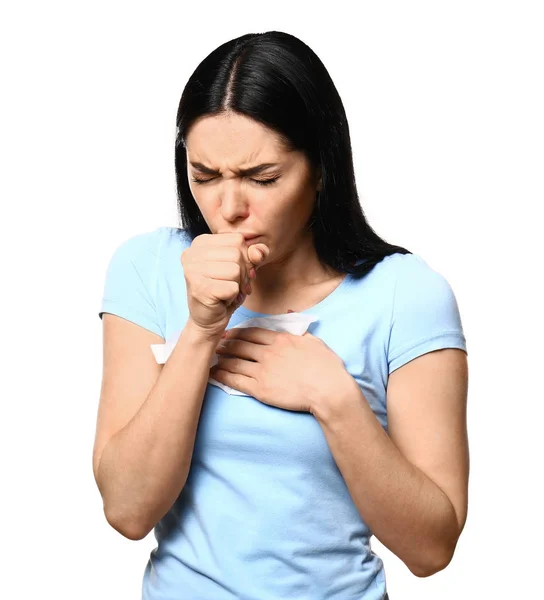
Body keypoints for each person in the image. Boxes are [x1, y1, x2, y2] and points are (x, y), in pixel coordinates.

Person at [93, 30, 469, 600]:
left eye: (262, 178)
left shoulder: (405, 295)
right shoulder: (147, 268)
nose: (229, 207)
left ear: (320, 168)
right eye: (205, 176)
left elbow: (431, 548)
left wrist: (334, 398)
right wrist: (201, 329)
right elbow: (126, 510)